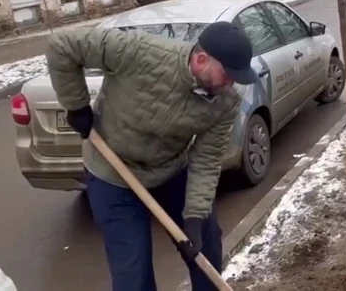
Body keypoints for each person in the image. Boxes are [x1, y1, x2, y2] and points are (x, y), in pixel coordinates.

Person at [46, 22, 257, 291]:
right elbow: (63, 44)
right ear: (202, 59)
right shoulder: (138, 51)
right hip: (112, 174)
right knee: (133, 272)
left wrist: (194, 216)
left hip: (170, 170)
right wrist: (76, 105)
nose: (231, 83)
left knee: (206, 242)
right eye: (227, 74)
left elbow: (206, 160)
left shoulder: (226, 101)